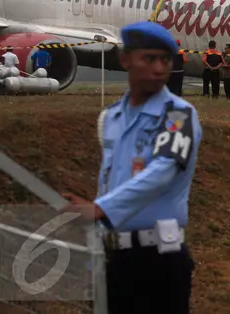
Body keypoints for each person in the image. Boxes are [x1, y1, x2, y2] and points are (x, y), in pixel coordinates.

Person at [61, 20, 201, 314]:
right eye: (149, 58)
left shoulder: (179, 115)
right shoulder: (111, 117)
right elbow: (109, 180)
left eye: (165, 60)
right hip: (115, 257)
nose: (160, 68)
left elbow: (163, 171)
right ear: (125, 60)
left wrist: (101, 209)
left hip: (161, 260)